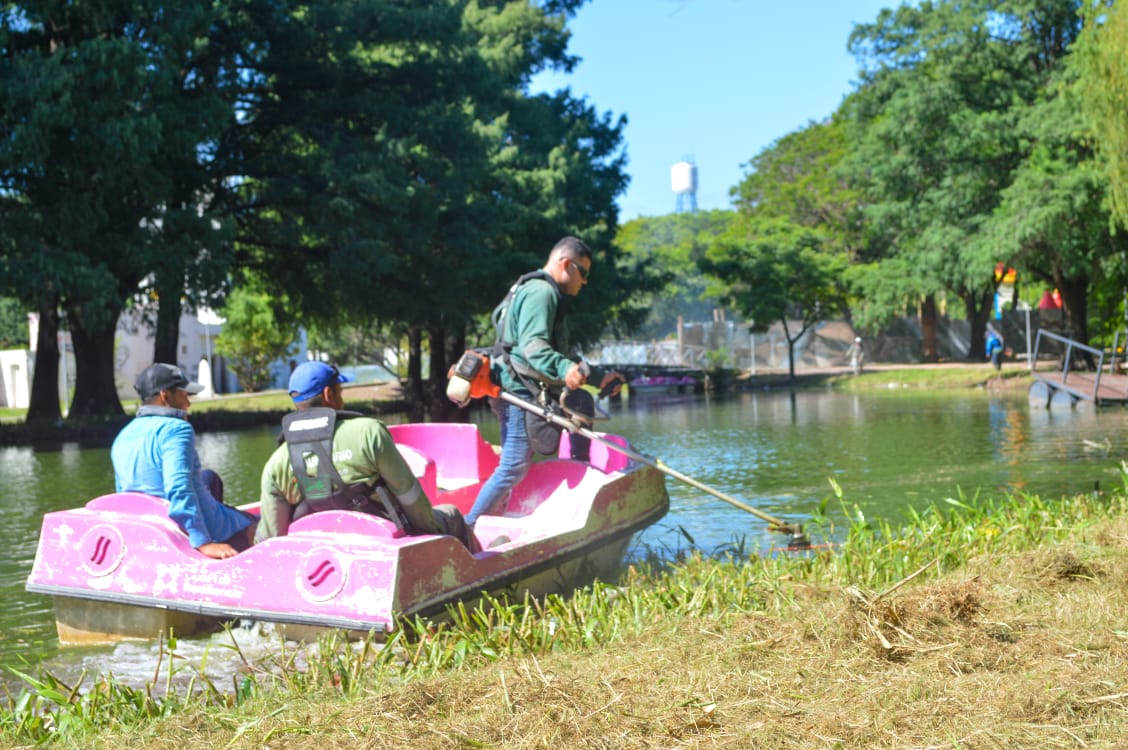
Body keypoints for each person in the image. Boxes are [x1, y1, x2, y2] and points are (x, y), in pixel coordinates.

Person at [257, 361, 476, 551]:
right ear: (328, 395)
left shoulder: (277, 463)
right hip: (387, 539)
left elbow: (272, 536)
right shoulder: (368, 432)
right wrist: (431, 534)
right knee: (452, 513)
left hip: (324, 547)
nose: (341, 397)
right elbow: (408, 493)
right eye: (340, 391)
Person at [465, 236, 592, 526]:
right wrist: (564, 369)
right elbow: (533, 347)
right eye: (582, 272)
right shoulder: (542, 293)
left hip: (513, 386)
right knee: (512, 467)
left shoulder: (532, 287)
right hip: (518, 391)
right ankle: (467, 529)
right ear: (565, 264)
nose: (584, 282)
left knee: (515, 464)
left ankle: (493, 519)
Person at [111, 363, 255, 560]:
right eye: (184, 394)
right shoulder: (177, 428)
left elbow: (124, 495)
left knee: (209, 477)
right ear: (165, 396)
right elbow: (178, 487)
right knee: (259, 526)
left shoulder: (122, 435)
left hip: (150, 525)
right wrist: (203, 542)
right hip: (186, 531)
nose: (189, 402)